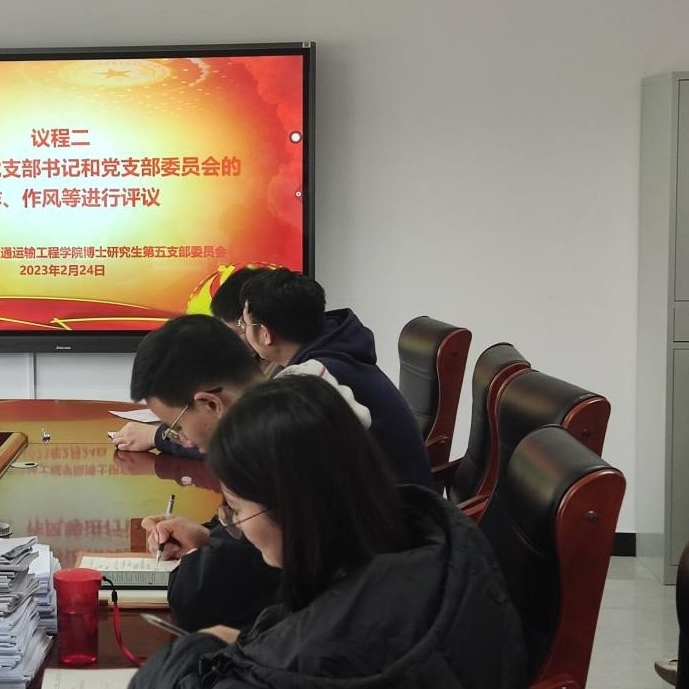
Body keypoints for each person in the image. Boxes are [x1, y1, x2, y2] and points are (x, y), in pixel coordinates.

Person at [130, 375, 528, 689]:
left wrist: (208, 642)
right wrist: (245, 641)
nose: (233, 525)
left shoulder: (326, 651)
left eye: (235, 510)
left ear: (292, 509)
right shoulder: (426, 534)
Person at [127, 315, 369, 631]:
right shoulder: (304, 400)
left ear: (211, 404)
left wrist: (209, 553)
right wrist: (207, 536)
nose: (182, 440)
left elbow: (197, 597)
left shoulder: (279, 444)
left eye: (176, 427)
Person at [239, 267, 434, 488]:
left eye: (244, 324)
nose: (242, 330)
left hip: (391, 503)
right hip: (400, 490)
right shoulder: (337, 344)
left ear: (265, 334)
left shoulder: (312, 379)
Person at [109, 267, 279, 454]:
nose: (226, 343)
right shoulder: (267, 378)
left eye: (178, 428)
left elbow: (230, 444)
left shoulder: (278, 425)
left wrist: (158, 436)